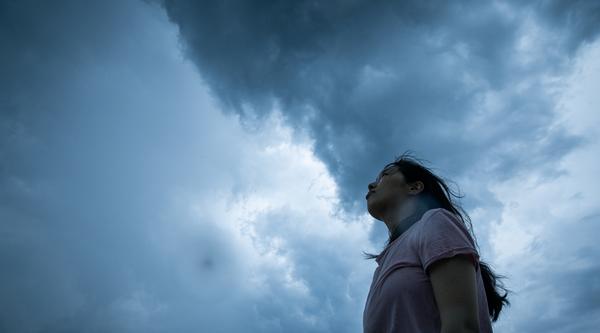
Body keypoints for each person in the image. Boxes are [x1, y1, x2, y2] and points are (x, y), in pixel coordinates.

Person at [362, 152, 510, 333]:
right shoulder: (382, 264)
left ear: (415, 187)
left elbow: (461, 327)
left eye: (385, 175)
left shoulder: (435, 221)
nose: (372, 184)